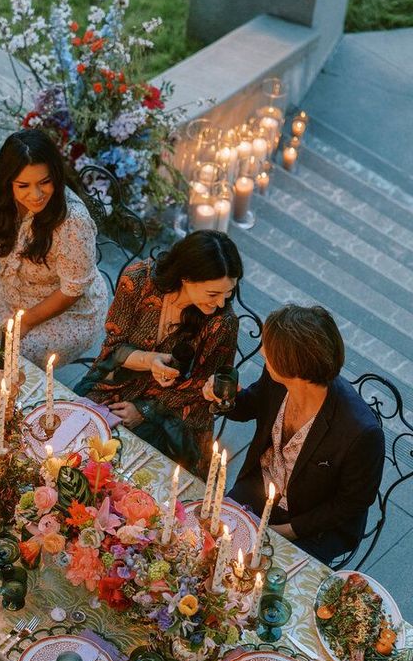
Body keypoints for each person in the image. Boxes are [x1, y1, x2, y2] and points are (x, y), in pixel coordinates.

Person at [207, 303, 385, 563]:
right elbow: (251, 405)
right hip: (258, 489)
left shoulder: (361, 433)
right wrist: (225, 399)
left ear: (292, 366)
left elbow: (351, 504)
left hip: (312, 524)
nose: (263, 351)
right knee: (208, 549)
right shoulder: (278, 380)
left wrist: (285, 532)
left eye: (269, 349)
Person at [75, 230, 242, 476]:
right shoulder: (139, 280)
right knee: (76, 443)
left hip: (175, 412)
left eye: (228, 293)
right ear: (186, 278)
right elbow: (114, 347)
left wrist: (144, 411)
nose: (220, 303)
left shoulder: (222, 323)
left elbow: (202, 388)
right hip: (118, 380)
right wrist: (150, 360)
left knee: (135, 475)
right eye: (213, 294)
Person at [0, 129, 109, 368]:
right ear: (7, 182)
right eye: (23, 185)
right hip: (7, 288)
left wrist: (25, 322)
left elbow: (72, 290)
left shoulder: (73, 221)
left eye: (45, 182)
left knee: (5, 366)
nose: (36, 195)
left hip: (63, 308)